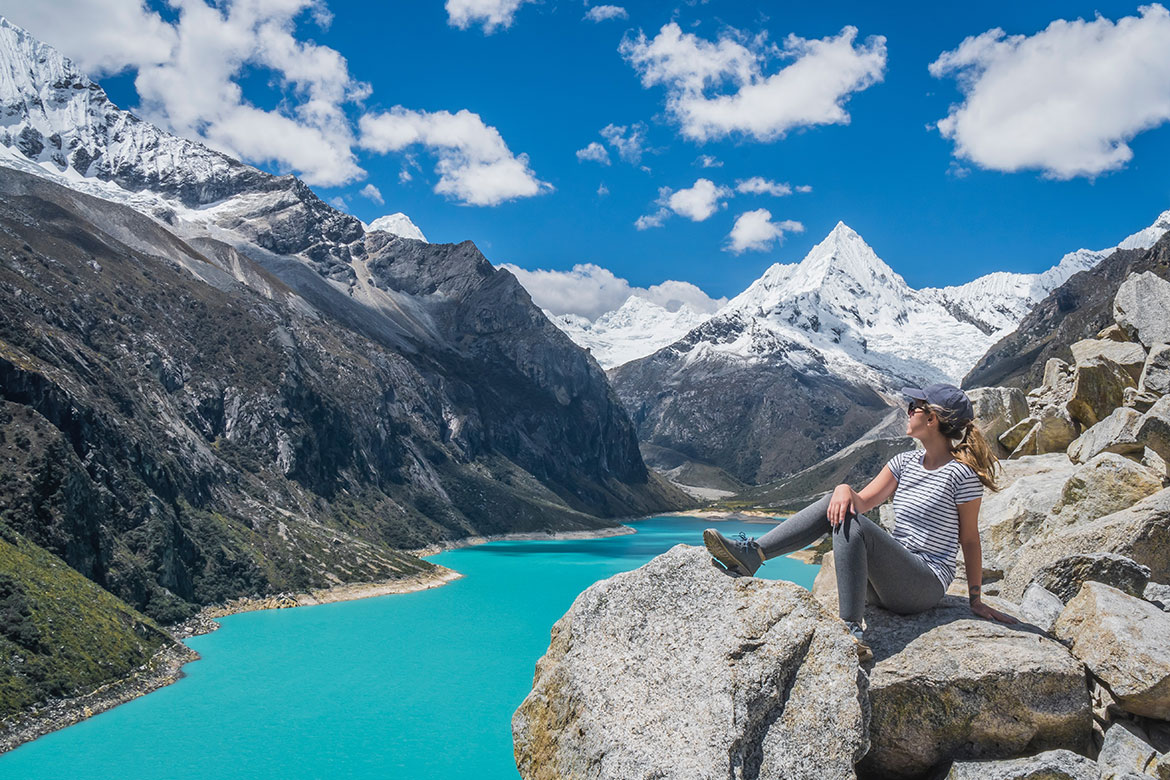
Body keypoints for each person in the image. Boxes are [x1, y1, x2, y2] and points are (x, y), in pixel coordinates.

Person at [703, 383, 1017, 661]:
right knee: (836, 503)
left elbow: (970, 539)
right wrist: (842, 489)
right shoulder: (903, 462)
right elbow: (863, 502)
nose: (907, 412)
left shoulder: (961, 475)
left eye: (913, 408)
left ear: (931, 418)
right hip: (885, 583)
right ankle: (753, 554)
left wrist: (976, 600)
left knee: (852, 523)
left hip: (923, 585)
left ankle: (851, 631)